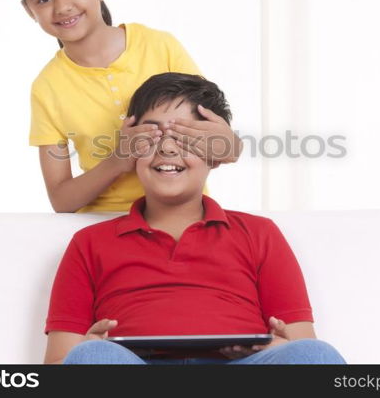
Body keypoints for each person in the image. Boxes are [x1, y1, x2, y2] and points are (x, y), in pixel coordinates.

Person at [43, 73, 346, 364]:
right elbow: (57, 363)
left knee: (312, 353)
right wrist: (86, 350)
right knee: (92, 356)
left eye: (185, 136)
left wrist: (285, 343)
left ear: (216, 152)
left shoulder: (259, 233)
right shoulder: (89, 243)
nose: (168, 147)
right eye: (153, 134)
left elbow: (302, 341)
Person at [12, 0, 242, 213]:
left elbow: (225, 148)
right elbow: (61, 200)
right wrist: (117, 160)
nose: (62, 6)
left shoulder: (160, 46)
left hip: (183, 215)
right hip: (106, 227)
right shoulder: (47, 87)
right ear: (28, 10)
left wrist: (227, 145)